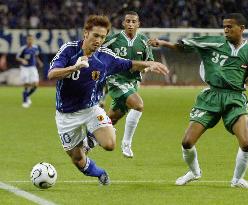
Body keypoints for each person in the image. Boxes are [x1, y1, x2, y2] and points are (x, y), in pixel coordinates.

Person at [48, 15, 168, 185]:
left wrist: (148, 64)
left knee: (110, 144)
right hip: (66, 115)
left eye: (103, 37)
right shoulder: (69, 50)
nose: (99, 40)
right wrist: (74, 67)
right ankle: (100, 173)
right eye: (95, 35)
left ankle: (91, 137)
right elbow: (52, 74)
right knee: (78, 159)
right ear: (86, 33)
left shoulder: (105, 57)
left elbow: (128, 63)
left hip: (91, 109)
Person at [149, 13, 248, 188]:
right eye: (224, 26)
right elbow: (184, 46)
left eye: (230, 26)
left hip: (235, 98)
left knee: (247, 143)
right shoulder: (213, 42)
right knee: (187, 142)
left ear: (241, 29)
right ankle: (194, 172)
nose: (226, 30)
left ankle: (237, 179)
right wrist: (164, 43)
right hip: (211, 96)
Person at [102, 11, 154, 158]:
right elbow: (97, 52)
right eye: (128, 21)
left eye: (133, 21)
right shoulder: (113, 40)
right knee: (138, 105)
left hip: (132, 83)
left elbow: (149, 61)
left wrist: (146, 67)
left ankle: (88, 139)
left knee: (112, 119)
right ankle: (126, 143)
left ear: (138, 24)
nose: (130, 24)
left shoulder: (144, 41)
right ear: (123, 23)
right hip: (116, 80)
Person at [16, 34, 43, 108]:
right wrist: (23, 60)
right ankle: (25, 101)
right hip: (25, 68)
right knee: (27, 84)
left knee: (36, 84)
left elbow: (36, 56)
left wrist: (39, 62)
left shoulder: (35, 48)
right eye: (28, 39)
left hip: (33, 68)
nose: (30, 41)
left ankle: (26, 96)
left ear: (33, 40)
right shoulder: (23, 48)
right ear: (26, 40)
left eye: (31, 39)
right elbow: (17, 57)